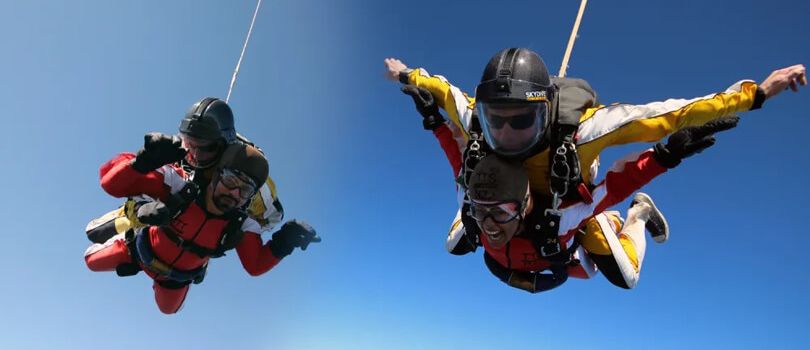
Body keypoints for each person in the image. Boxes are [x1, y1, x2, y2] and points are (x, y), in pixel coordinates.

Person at [386, 49, 805, 257]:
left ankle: (637, 218)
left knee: (620, 273)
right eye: (499, 120)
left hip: (569, 204)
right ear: (485, 111)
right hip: (499, 202)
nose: (508, 133)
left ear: (545, 111)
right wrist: (406, 74)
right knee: (461, 235)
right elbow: (442, 89)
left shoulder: (584, 130)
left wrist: (756, 95)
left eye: (523, 120)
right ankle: (485, 208)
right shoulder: (474, 117)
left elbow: (668, 114)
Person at [461, 117, 738, 292]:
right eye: (481, 210)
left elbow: (614, 188)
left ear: (519, 208)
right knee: (459, 239)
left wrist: (664, 156)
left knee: (625, 276)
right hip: (547, 249)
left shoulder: (559, 219)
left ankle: (637, 214)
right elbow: (457, 159)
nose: (490, 224)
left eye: (500, 212)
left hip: (577, 221)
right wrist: (435, 119)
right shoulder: (474, 220)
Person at [84, 138, 319, 314]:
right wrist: (141, 162)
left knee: (168, 311)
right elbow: (110, 184)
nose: (234, 193)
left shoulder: (241, 222)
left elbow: (255, 265)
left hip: (175, 278)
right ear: (216, 174)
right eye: (230, 180)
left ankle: (137, 215)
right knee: (91, 261)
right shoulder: (180, 186)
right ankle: (131, 216)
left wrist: (285, 242)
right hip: (137, 250)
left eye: (244, 190)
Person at [85, 97, 284, 244]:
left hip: (206, 227)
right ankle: (130, 221)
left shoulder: (254, 183)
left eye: (205, 148)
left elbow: (273, 217)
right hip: (175, 213)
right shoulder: (179, 156)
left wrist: (239, 228)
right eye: (190, 143)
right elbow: (124, 180)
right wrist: (140, 206)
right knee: (103, 231)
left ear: (224, 146)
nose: (195, 154)